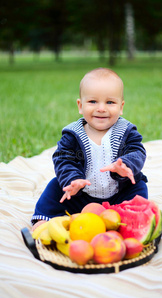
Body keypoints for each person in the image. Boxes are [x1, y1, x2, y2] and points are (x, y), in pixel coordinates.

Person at [31, 67, 148, 230]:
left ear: (121, 107)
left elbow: (137, 151)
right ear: (80, 105)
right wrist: (73, 180)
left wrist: (126, 165)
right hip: (81, 196)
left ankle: (131, 221)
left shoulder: (126, 131)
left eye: (110, 102)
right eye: (93, 101)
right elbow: (63, 159)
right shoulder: (72, 134)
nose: (101, 108)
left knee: (139, 187)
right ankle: (44, 219)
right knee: (56, 187)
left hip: (119, 195)